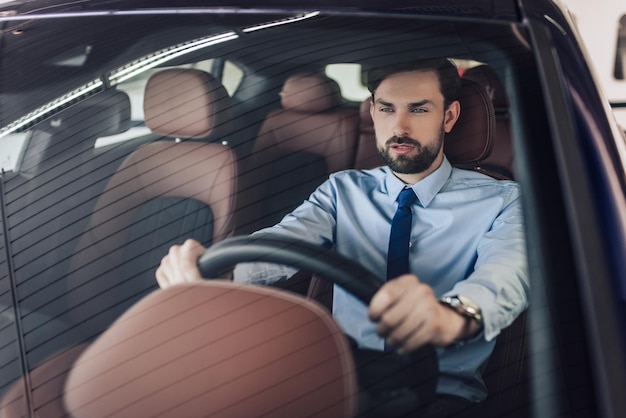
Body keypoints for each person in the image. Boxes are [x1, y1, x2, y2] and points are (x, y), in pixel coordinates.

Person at [156, 58, 529, 417]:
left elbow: (506, 274)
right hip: (340, 381)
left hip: (442, 394)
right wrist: (217, 271)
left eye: (418, 110)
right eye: (386, 109)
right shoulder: (343, 189)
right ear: (371, 111)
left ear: (449, 116)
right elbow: (286, 240)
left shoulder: (503, 199)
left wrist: (450, 316)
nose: (399, 127)